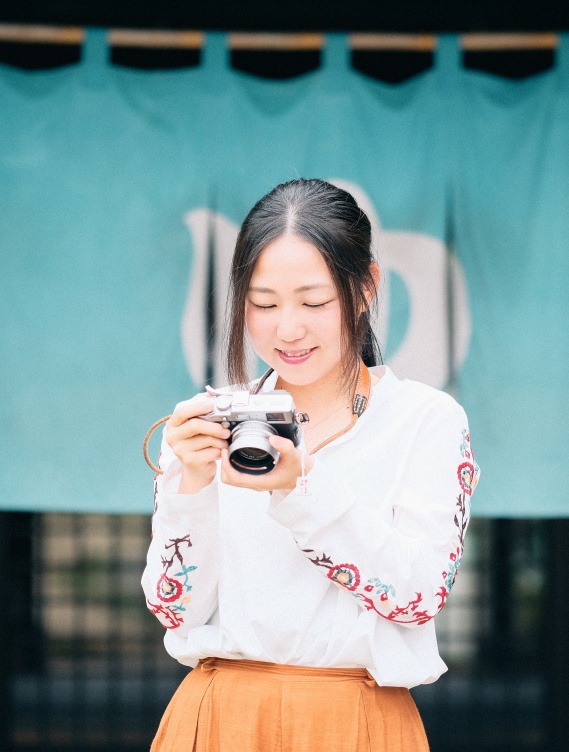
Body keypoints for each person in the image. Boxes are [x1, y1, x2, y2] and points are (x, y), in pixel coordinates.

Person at [142, 178, 479, 752]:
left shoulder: (425, 420)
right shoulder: (216, 426)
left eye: (314, 302)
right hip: (220, 718)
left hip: (356, 722)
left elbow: (418, 596)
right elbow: (173, 606)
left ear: (366, 286)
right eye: (263, 303)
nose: (287, 328)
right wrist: (190, 489)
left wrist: (303, 491)